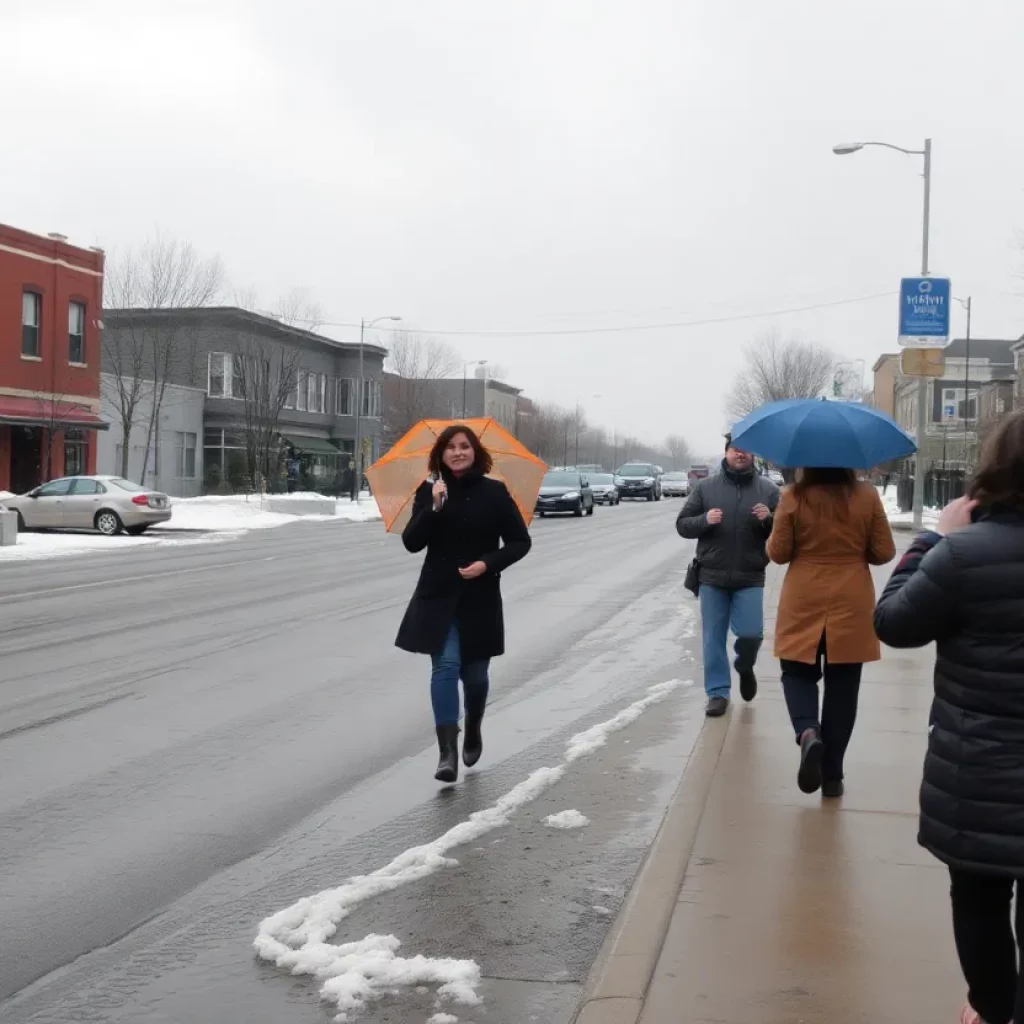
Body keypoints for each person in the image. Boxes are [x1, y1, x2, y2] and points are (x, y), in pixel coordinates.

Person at [874, 410, 1024, 1024]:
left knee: (981, 900)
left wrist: (933, 539)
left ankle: (992, 1008)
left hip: (978, 775)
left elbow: (895, 623)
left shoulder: (963, 556)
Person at [396, 424, 532, 783]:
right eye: (451, 447)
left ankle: (473, 726)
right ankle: (447, 752)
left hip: (480, 597)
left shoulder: (495, 492)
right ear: (440, 454)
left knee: (475, 677)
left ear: (476, 452)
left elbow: (520, 542)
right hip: (437, 596)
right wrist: (434, 508)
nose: (458, 452)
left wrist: (488, 563)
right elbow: (412, 543)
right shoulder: (430, 493)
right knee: (445, 667)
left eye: (465, 446)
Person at [767, 468, 895, 796]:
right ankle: (833, 777)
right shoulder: (866, 496)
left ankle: (808, 732)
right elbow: (884, 553)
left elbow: (778, 553)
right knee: (843, 687)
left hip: (803, 596)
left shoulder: (792, 496)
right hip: (851, 598)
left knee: (796, 672)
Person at [677, 436, 779, 717]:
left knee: (750, 634)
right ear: (727, 452)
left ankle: (744, 666)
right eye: (736, 449)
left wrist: (768, 520)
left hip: (750, 575)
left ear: (753, 455)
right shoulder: (706, 488)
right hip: (712, 576)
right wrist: (704, 520)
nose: (740, 454)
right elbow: (683, 525)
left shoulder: (769, 490)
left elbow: (787, 534)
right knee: (713, 638)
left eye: (746, 449)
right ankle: (718, 693)